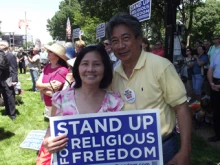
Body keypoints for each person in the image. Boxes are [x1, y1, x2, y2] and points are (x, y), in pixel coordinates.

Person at [105, 13, 192, 165]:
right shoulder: (113, 73)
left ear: (139, 39)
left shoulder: (161, 66)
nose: (120, 45)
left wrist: (185, 150)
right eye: (115, 41)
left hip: (162, 147)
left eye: (126, 38)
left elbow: (181, 108)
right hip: (126, 149)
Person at [36, 44, 124, 165]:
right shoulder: (61, 99)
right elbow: (50, 131)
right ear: (78, 67)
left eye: (97, 64)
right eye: (85, 63)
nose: (90, 69)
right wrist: (47, 141)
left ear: (105, 68)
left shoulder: (115, 101)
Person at [36, 43, 69, 118]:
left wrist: (41, 89)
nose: (47, 52)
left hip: (57, 105)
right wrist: (47, 85)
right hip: (47, 103)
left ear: (57, 56)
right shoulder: (47, 66)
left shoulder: (62, 70)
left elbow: (52, 92)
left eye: (50, 51)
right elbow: (37, 84)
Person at [0, 40, 18, 120]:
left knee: (10, 95)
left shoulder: (10, 55)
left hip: (9, 78)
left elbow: (14, 68)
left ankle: (12, 114)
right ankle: (7, 111)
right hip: (1, 78)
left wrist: (14, 80)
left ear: (4, 46)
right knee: (4, 95)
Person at [207, 52, 220, 142]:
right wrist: (211, 83)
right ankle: (218, 134)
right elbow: (210, 69)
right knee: (216, 110)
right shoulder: (217, 53)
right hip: (215, 84)